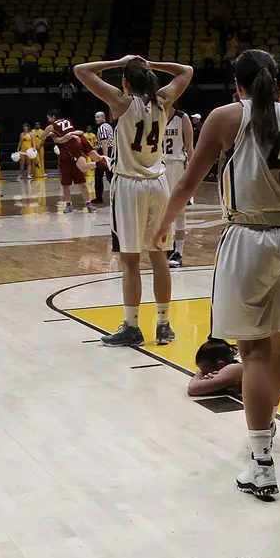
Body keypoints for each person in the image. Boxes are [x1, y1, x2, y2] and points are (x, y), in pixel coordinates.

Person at [152, 49, 280, 499]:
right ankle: (267, 425)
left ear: (237, 83)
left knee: (254, 353)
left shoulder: (226, 117)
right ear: (278, 82)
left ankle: (261, 462)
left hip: (252, 238)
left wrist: (164, 225)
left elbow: (186, 183)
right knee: (278, 347)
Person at [75, 54, 193, 347]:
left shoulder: (121, 102)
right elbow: (186, 70)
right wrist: (151, 64)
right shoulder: (164, 100)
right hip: (158, 184)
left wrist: (120, 62)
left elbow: (80, 70)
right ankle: (164, 325)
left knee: (129, 262)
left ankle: (132, 327)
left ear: (126, 82)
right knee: (159, 256)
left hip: (129, 186)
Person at [39, 111, 97, 214]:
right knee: (68, 184)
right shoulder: (67, 123)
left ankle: (88, 203)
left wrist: (67, 136)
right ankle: (69, 205)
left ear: (53, 117)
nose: (48, 120)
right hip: (65, 158)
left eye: (49, 118)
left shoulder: (53, 127)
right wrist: (69, 136)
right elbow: (61, 139)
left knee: (80, 182)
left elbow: (44, 137)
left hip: (72, 156)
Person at [162, 107, 195, 267]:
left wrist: (193, 170)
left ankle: (179, 252)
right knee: (161, 210)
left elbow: (190, 147)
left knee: (179, 211)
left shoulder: (182, 117)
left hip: (176, 165)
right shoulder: (154, 115)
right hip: (158, 166)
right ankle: (167, 246)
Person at [93, 111, 115, 204]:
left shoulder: (102, 128)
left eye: (98, 117)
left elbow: (105, 142)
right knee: (111, 176)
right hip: (111, 151)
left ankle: (99, 198)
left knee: (98, 176)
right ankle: (118, 195)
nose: (96, 119)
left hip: (105, 152)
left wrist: (105, 158)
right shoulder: (109, 126)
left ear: (103, 117)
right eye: (95, 117)